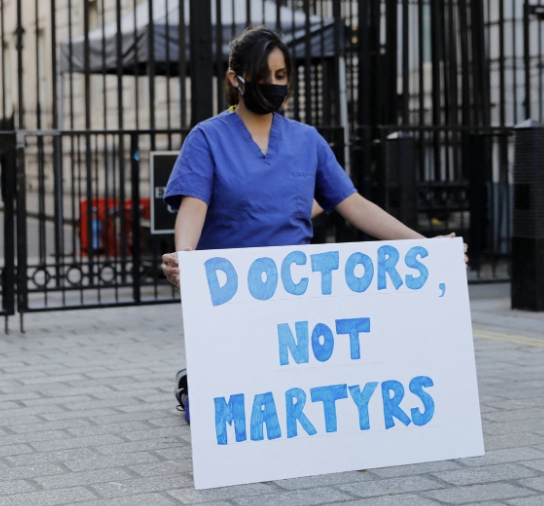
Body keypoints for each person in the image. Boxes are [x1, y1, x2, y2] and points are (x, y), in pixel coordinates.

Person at [161, 27, 466, 422]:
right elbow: (193, 207)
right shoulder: (207, 138)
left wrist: (426, 245)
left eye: (281, 75)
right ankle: (197, 381)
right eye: (264, 75)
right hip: (231, 296)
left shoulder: (307, 141)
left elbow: (354, 205)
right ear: (236, 79)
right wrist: (184, 257)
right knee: (222, 408)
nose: (274, 84)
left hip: (293, 292)